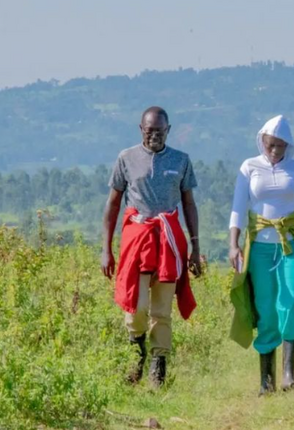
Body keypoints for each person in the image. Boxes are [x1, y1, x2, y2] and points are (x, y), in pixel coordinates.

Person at [228, 115, 294, 395]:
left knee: (289, 303)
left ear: (289, 145)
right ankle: (266, 381)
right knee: (266, 311)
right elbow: (238, 208)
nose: (275, 151)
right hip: (260, 248)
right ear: (262, 141)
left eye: (280, 146)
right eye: (270, 144)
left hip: (291, 245)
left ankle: (289, 375)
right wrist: (233, 244)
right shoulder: (249, 167)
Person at [101, 106, 203, 387]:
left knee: (161, 309)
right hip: (138, 240)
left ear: (168, 130)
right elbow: (112, 203)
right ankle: (136, 353)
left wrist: (195, 246)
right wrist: (106, 248)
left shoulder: (180, 160)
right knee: (136, 306)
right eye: (149, 131)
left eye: (159, 131)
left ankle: (158, 369)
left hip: (169, 241)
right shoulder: (126, 158)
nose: (154, 136)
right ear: (140, 129)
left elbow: (189, 203)